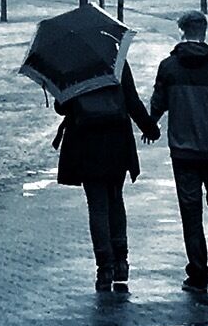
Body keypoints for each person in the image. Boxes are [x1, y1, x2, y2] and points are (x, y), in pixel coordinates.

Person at [148, 9, 208, 291]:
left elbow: (157, 103)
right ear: (204, 32)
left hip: (183, 151)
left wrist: (149, 126)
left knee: (190, 212)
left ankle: (198, 274)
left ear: (182, 32)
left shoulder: (169, 67)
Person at [53, 59, 159, 292]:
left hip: (86, 142)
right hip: (116, 139)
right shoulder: (116, 59)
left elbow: (62, 106)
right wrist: (149, 127)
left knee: (97, 205)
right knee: (115, 198)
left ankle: (104, 267)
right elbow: (131, 100)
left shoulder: (71, 63)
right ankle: (121, 261)